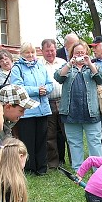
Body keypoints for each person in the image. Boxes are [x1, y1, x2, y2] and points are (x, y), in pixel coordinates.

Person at [54, 39, 102, 170]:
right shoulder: (67, 67)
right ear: (72, 54)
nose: (79, 55)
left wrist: (90, 64)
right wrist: (69, 64)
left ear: (87, 53)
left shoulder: (92, 66)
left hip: (91, 111)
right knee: (74, 142)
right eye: (77, 53)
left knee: (94, 142)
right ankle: (78, 169)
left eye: (82, 52)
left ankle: (98, 169)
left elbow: (100, 78)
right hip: (71, 112)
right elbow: (58, 77)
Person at [10, 42, 53, 175]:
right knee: (28, 140)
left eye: (32, 52)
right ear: (22, 54)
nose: (30, 55)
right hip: (27, 110)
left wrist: (46, 89)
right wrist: (36, 90)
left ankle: (42, 167)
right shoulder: (17, 68)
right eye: (27, 53)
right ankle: (29, 167)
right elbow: (17, 87)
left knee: (42, 139)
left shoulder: (40, 66)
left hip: (42, 109)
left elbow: (50, 83)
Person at [40, 39, 67, 169]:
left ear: (56, 50)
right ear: (42, 51)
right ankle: (53, 163)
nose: (50, 53)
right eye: (47, 51)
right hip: (47, 101)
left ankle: (66, 160)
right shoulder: (39, 64)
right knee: (50, 134)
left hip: (63, 101)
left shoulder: (63, 63)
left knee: (65, 132)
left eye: (52, 50)